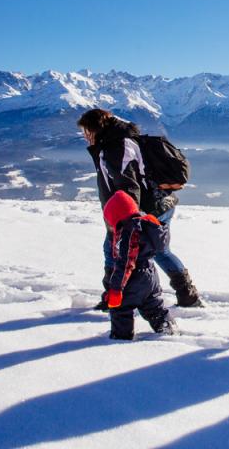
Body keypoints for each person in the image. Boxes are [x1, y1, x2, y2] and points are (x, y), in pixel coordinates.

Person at [77, 108, 202, 309]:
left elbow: (129, 186)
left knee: (112, 249)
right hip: (156, 205)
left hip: (145, 209)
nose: (84, 136)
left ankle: (112, 298)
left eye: (86, 131)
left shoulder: (117, 147)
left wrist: (128, 221)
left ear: (94, 129)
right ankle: (188, 294)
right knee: (159, 250)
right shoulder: (115, 142)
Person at [103, 190, 177, 340]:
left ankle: (121, 337)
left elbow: (126, 263)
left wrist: (116, 289)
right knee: (153, 305)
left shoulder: (128, 232)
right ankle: (167, 327)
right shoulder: (145, 225)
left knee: (120, 308)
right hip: (150, 274)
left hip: (133, 278)